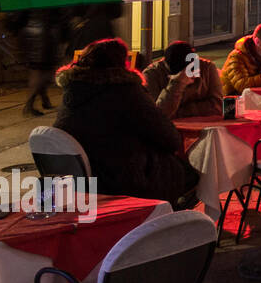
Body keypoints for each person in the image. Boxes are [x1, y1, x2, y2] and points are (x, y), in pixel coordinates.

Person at [54, 39, 199, 206]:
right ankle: (164, 222)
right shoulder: (126, 91)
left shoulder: (72, 92)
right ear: (122, 64)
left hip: (81, 176)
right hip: (122, 178)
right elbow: (170, 139)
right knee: (188, 173)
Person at [142, 41, 224, 119]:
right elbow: (157, 114)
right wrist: (177, 83)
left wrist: (177, 112)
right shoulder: (151, 74)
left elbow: (217, 106)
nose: (187, 74)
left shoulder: (207, 68)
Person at [8, 8, 64, 117]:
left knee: (40, 69)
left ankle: (44, 100)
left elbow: (15, 17)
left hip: (31, 32)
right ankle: (29, 105)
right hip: (44, 33)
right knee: (42, 72)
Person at [221, 23, 261, 95]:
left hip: (254, 97)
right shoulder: (236, 57)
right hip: (232, 100)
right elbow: (242, 85)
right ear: (257, 42)